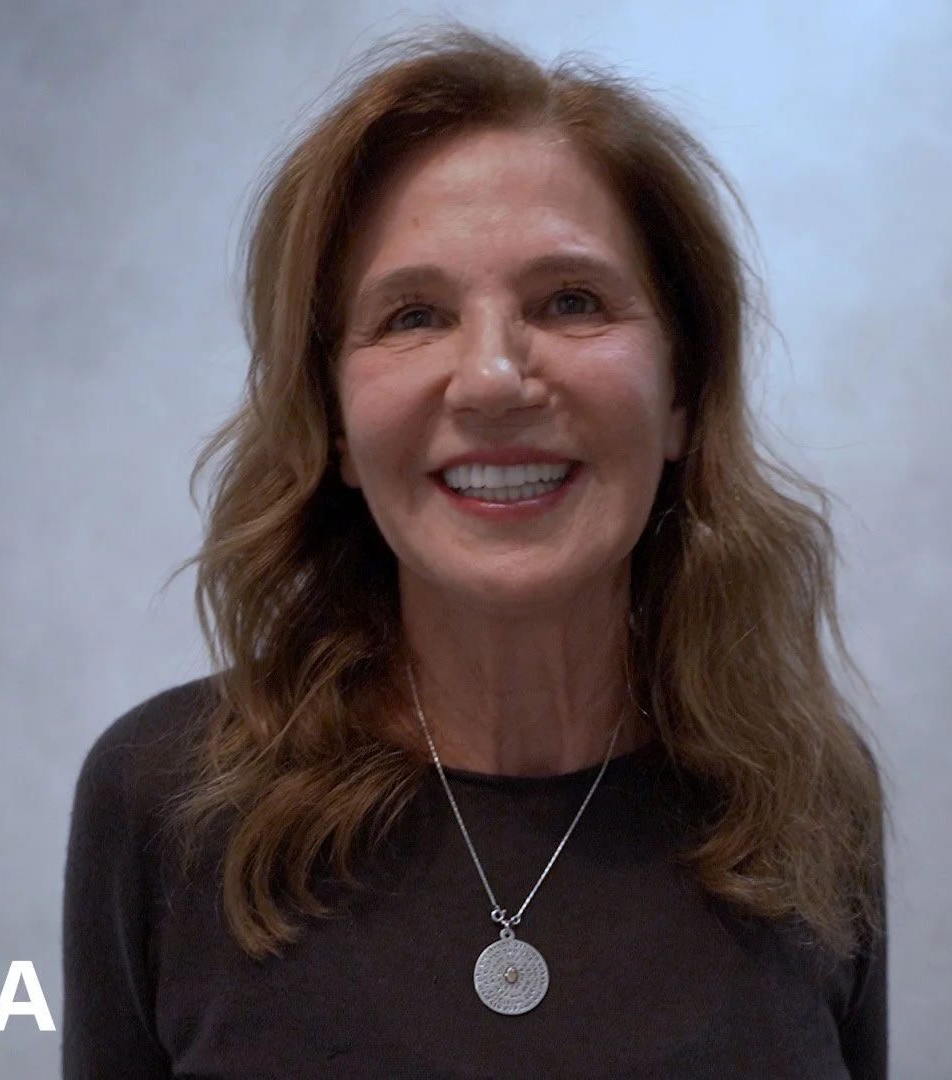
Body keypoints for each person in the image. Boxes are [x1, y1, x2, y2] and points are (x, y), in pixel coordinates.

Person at [62, 23, 888, 1079]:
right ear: (337, 423)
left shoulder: (804, 795)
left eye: (571, 301)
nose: (494, 377)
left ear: (682, 391)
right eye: (414, 315)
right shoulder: (166, 799)